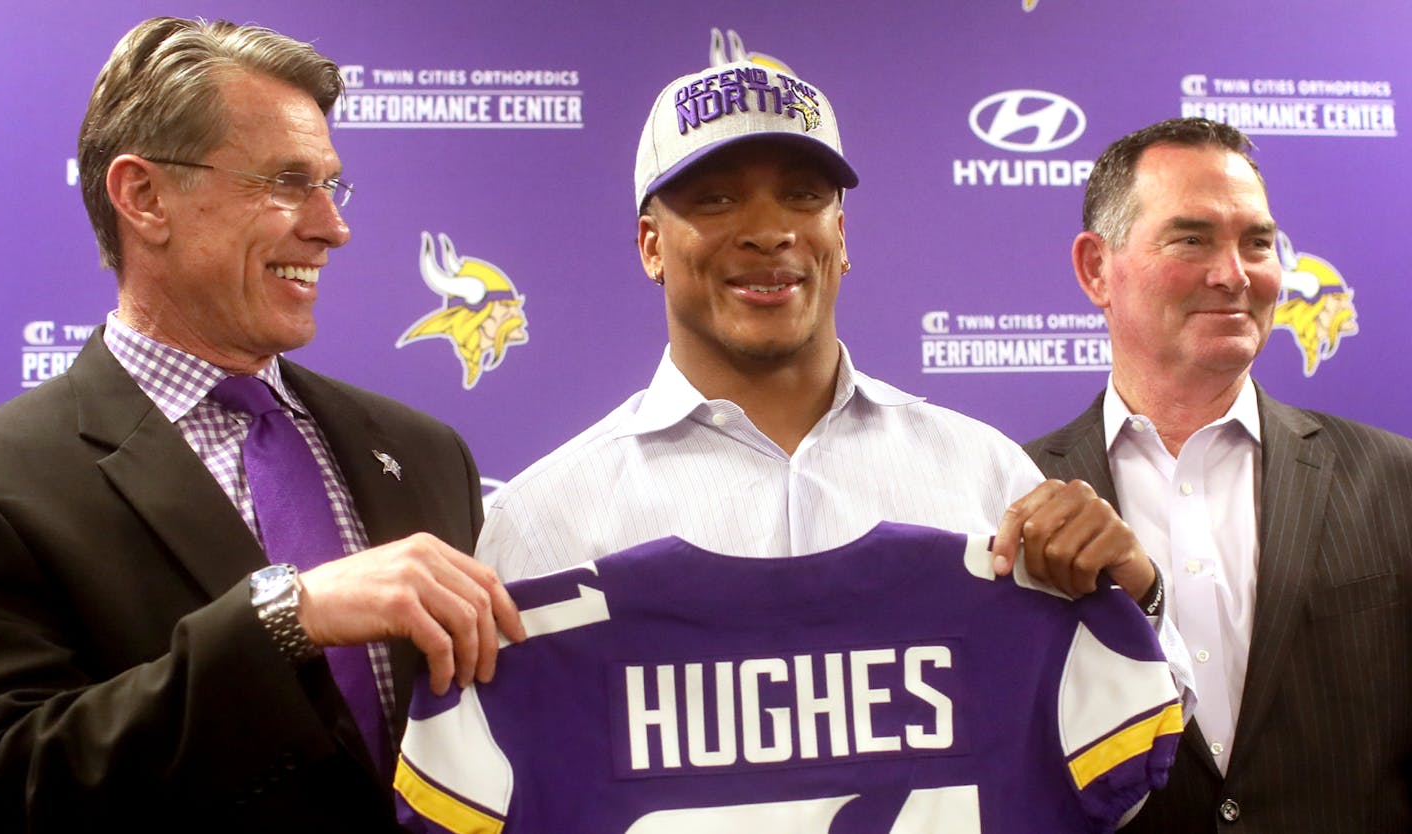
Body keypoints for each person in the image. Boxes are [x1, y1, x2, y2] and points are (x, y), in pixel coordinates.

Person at [453, 59, 1190, 823]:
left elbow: (1128, 767)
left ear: (840, 233)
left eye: (803, 196)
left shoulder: (982, 474)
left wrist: (1140, 597)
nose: (769, 230)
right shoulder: (544, 521)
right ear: (650, 245)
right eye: (716, 199)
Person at [0, 17, 521, 832]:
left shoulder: (423, 453)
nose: (331, 228)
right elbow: (19, 778)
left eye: (330, 185)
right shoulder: (8, 480)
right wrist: (287, 618)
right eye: (283, 182)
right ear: (144, 197)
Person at [1024, 117, 1412, 832]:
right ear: (1095, 269)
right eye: (1192, 239)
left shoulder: (1397, 481)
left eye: (1258, 242)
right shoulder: (1011, 495)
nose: (1235, 273)